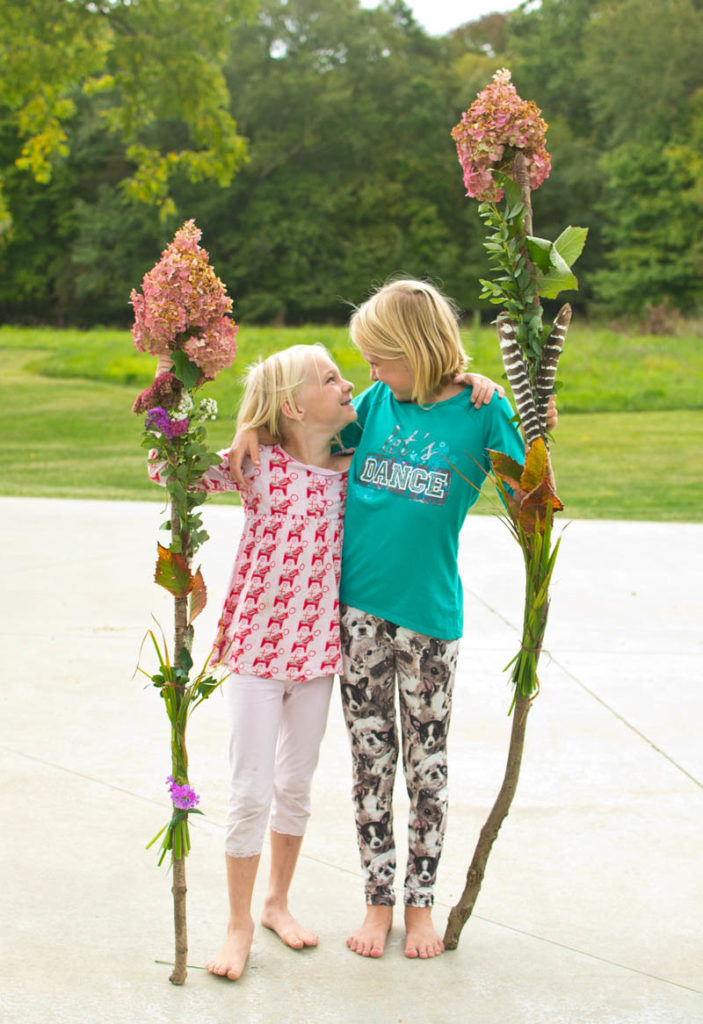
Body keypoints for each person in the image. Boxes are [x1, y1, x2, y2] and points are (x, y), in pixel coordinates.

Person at [228, 279, 535, 962]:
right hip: (356, 618)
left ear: (416, 351)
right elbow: (301, 431)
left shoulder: (483, 412)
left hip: (429, 619)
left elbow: (531, 495)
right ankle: (376, 902)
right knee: (371, 766)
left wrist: (502, 399)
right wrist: (251, 426)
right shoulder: (373, 406)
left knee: (425, 766)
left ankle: (418, 907)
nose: (367, 373)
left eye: (378, 358)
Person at [149, 344, 357, 981]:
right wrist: (214, 416)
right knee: (249, 790)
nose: (347, 384)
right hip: (257, 655)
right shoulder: (258, 465)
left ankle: (276, 903)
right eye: (331, 378)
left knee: (295, 785)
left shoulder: (357, 466)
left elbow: (411, 402)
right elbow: (168, 473)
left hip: (320, 654)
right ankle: (238, 923)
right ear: (293, 405)